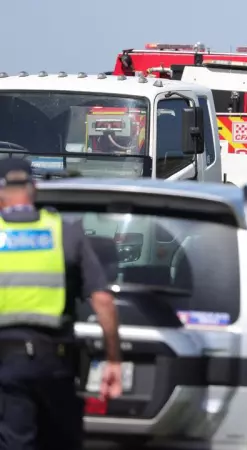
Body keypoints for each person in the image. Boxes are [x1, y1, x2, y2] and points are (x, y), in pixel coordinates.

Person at [0, 158, 122, 450]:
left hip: (6, 361)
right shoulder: (64, 232)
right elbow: (103, 301)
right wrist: (114, 359)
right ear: (34, 188)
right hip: (55, 359)